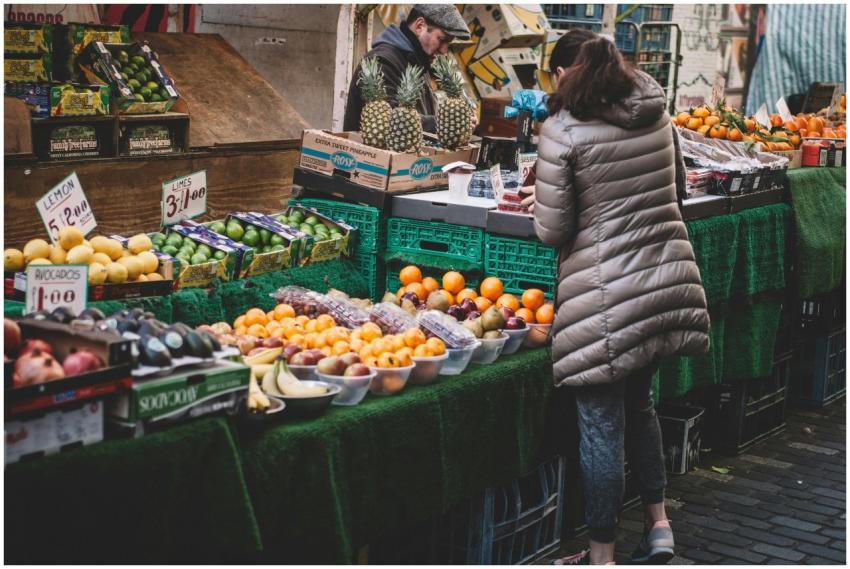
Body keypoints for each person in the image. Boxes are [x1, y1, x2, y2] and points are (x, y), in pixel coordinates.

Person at [531, 30, 711, 565]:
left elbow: (551, 228)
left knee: (601, 427)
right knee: (641, 406)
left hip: (606, 299)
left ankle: (601, 554)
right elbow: (677, 186)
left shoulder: (562, 130)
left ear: (566, 74)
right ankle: (659, 527)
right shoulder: (656, 112)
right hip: (662, 283)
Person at [343, 4, 470, 135]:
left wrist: (457, 120)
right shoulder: (382, 61)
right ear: (420, 26)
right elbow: (388, 121)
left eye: (448, 44)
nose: (444, 51)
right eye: (442, 40)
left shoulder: (419, 61)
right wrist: (447, 123)